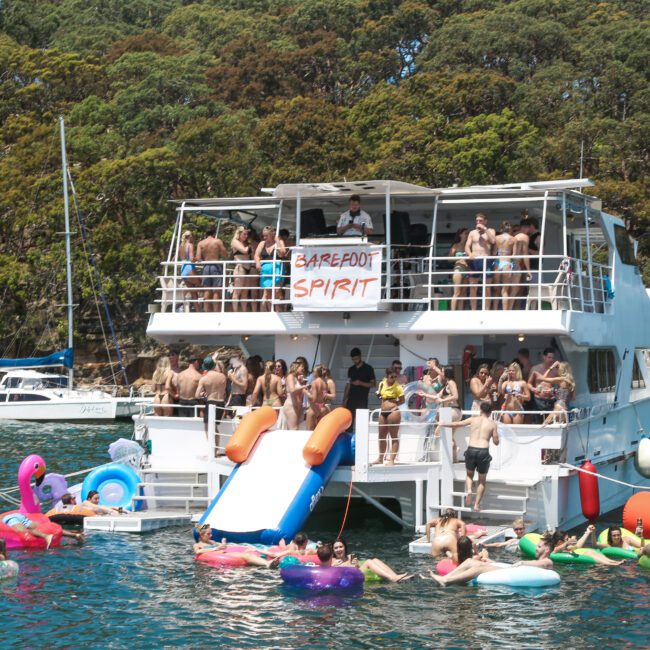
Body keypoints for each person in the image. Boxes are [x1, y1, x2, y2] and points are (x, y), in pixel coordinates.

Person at [437, 402, 499, 512]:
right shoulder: (493, 424)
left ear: (480, 410)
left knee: (469, 475)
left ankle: (469, 490)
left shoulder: (473, 419)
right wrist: (495, 437)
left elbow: (457, 424)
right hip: (483, 451)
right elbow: (496, 442)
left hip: (471, 449)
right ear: (490, 413)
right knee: (481, 481)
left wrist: (443, 423)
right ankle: (476, 505)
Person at [430, 534, 555, 587]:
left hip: (512, 571)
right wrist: (490, 561)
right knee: (469, 562)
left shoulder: (547, 562)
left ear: (547, 549)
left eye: (539, 547)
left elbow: (537, 564)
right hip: (511, 569)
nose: (536, 548)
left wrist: (522, 562)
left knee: (479, 568)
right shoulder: (541, 560)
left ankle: (447, 581)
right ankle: (445, 578)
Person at [192, 524, 280, 567]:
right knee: (246, 556)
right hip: (221, 555)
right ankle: (267, 564)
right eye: (208, 534)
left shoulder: (212, 542)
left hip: (224, 553)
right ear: (201, 535)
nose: (211, 536)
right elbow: (198, 551)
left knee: (248, 552)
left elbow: (224, 547)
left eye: (210, 534)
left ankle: (268, 561)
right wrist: (216, 548)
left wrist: (223, 543)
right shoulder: (198, 545)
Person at [331, 538, 412, 582]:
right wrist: (335, 566)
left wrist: (355, 564)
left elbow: (357, 567)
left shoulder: (351, 556)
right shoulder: (333, 561)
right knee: (368, 562)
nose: (339, 549)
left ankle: (395, 576)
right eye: (336, 548)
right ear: (333, 550)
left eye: (341, 547)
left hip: (357, 574)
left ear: (345, 547)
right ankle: (391, 578)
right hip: (352, 578)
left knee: (375, 560)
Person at [464, 212, 496, 310]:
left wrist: (485, 230)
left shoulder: (490, 230)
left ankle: (486, 309)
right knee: (473, 287)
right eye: (477, 220)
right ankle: (473, 310)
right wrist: (470, 254)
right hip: (475, 261)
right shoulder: (472, 233)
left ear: (485, 221)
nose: (478, 222)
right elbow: (467, 246)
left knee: (487, 287)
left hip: (486, 260)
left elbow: (493, 241)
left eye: (480, 221)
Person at [373, 369, 405, 465]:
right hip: (383, 412)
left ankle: (392, 460)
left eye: (395, 376)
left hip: (393, 412)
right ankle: (380, 458)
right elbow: (380, 396)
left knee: (393, 436)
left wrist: (393, 405)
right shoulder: (382, 384)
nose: (394, 378)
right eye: (392, 377)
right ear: (387, 376)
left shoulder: (398, 387)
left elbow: (402, 400)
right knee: (381, 436)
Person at [554, 525, 625, 566]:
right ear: (560, 542)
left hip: (573, 563)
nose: (568, 539)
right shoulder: (555, 549)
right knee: (589, 553)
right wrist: (567, 542)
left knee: (591, 551)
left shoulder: (566, 547)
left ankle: (612, 561)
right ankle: (611, 564)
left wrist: (588, 532)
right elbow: (555, 550)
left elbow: (578, 546)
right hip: (567, 568)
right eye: (566, 539)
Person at [195, 356, 227, 445]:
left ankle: (212, 450)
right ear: (214, 365)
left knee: (208, 427)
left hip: (211, 403)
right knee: (215, 427)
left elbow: (197, 395)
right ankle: (215, 450)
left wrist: (203, 395)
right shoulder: (223, 376)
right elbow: (223, 392)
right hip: (221, 402)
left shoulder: (204, 378)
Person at [196, 226, 228, 312]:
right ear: (214, 233)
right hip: (215, 266)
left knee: (207, 290)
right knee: (216, 291)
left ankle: (206, 311)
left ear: (206, 234)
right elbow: (225, 254)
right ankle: (216, 311)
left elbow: (198, 257)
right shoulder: (217, 241)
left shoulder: (201, 243)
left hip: (206, 266)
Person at [342, 347, 376, 430]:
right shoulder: (351, 369)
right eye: (353, 359)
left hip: (362, 400)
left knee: (362, 424)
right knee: (348, 423)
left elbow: (373, 384)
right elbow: (348, 384)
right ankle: (348, 441)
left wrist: (360, 383)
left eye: (356, 359)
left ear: (360, 356)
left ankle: (361, 441)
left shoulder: (368, 368)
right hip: (351, 399)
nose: (355, 361)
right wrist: (344, 400)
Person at [254, 226, 286, 312]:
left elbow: (282, 254)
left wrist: (277, 241)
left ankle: (280, 311)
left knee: (277, 290)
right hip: (265, 270)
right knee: (267, 292)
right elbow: (256, 255)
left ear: (272, 234)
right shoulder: (262, 243)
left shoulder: (279, 242)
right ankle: (268, 312)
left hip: (277, 269)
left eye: (266, 236)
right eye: (263, 235)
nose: (264, 237)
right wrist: (257, 262)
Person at [528, 348, 558, 417]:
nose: (551, 360)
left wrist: (553, 391)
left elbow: (559, 385)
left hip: (550, 400)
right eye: (549, 357)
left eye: (553, 358)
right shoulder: (535, 368)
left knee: (550, 423)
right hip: (538, 400)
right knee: (537, 422)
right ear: (544, 357)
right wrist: (533, 389)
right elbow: (529, 383)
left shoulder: (556, 370)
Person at [278, 361, 307, 430]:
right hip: (291, 406)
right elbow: (292, 390)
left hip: (298, 406)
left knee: (297, 428)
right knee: (294, 429)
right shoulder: (290, 376)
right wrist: (304, 386)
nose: (303, 368)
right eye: (301, 367)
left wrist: (301, 383)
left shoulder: (297, 378)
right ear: (296, 367)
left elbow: (300, 393)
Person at [231, 226, 254, 312]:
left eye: (247, 234)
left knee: (245, 292)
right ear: (239, 233)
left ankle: (244, 312)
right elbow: (244, 251)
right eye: (244, 234)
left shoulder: (246, 243)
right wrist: (250, 244)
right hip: (240, 267)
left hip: (247, 268)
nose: (246, 236)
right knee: (237, 291)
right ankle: (235, 312)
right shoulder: (235, 241)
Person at [495, 221, 515, 309]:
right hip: (507, 262)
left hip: (497, 262)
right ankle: (505, 312)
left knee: (496, 290)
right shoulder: (513, 239)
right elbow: (514, 255)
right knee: (505, 290)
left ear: (501, 228)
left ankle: (495, 309)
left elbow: (493, 252)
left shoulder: (497, 238)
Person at [178, 230, 200, 310]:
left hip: (183, 270)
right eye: (192, 235)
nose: (193, 237)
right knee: (203, 285)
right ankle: (208, 307)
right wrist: (197, 259)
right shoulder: (190, 245)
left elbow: (175, 258)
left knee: (193, 292)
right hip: (189, 269)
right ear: (189, 237)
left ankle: (198, 310)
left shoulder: (181, 246)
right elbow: (191, 259)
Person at [448, 228, 469, 311]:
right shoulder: (455, 245)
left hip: (467, 269)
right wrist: (458, 257)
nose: (467, 234)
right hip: (458, 269)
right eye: (466, 233)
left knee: (463, 294)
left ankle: (460, 311)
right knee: (457, 292)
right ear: (460, 235)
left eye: (468, 233)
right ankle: (453, 312)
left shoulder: (468, 245)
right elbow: (449, 259)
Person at [305, 365, 328, 430]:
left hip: (314, 408)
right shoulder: (325, 383)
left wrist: (305, 391)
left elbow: (314, 399)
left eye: (313, 372)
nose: (312, 373)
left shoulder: (314, 382)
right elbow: (325, 397)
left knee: (309, 432)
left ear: (317, 373)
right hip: (322, 408)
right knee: (320, 431)